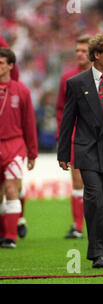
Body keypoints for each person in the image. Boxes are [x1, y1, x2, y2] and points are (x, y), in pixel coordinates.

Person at [57, 33, 103, 268]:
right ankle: (96, 252)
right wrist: (63, 152)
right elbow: (68, 120)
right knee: (95, 199)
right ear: (97, 55)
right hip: (86, 150)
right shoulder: (76, 83)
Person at [0, 48, 38, 248]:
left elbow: (29, 123)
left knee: (11, 188)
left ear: (10, 66)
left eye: (1, 63)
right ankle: (3, 232)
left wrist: (32, 153)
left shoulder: (21, 90)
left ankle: (10, 237)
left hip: (14, 146)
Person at [56, 34, 92, 239]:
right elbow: (61, 109)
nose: (79, 54)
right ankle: (78, 226)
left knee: (98, 183)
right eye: (77, 50)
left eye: (83, 51)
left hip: (100, 137)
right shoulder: (67, 78)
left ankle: (98, 223)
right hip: (75, 136)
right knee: (77, 180)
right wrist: (63, 136)